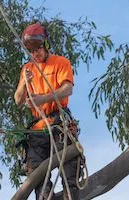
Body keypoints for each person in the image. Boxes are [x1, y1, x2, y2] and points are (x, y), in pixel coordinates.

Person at [14, 22, 80, 200]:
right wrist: (23, 83)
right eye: (31, 51)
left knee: (69, 177)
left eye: (38, 50)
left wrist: (42, 98)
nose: (35, 54)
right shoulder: (27, 69)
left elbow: (67, 89)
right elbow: (18, 100)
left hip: (59, 125)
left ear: (46, 45)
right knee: (39, 183)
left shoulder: (60, 63)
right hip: (37, 131)